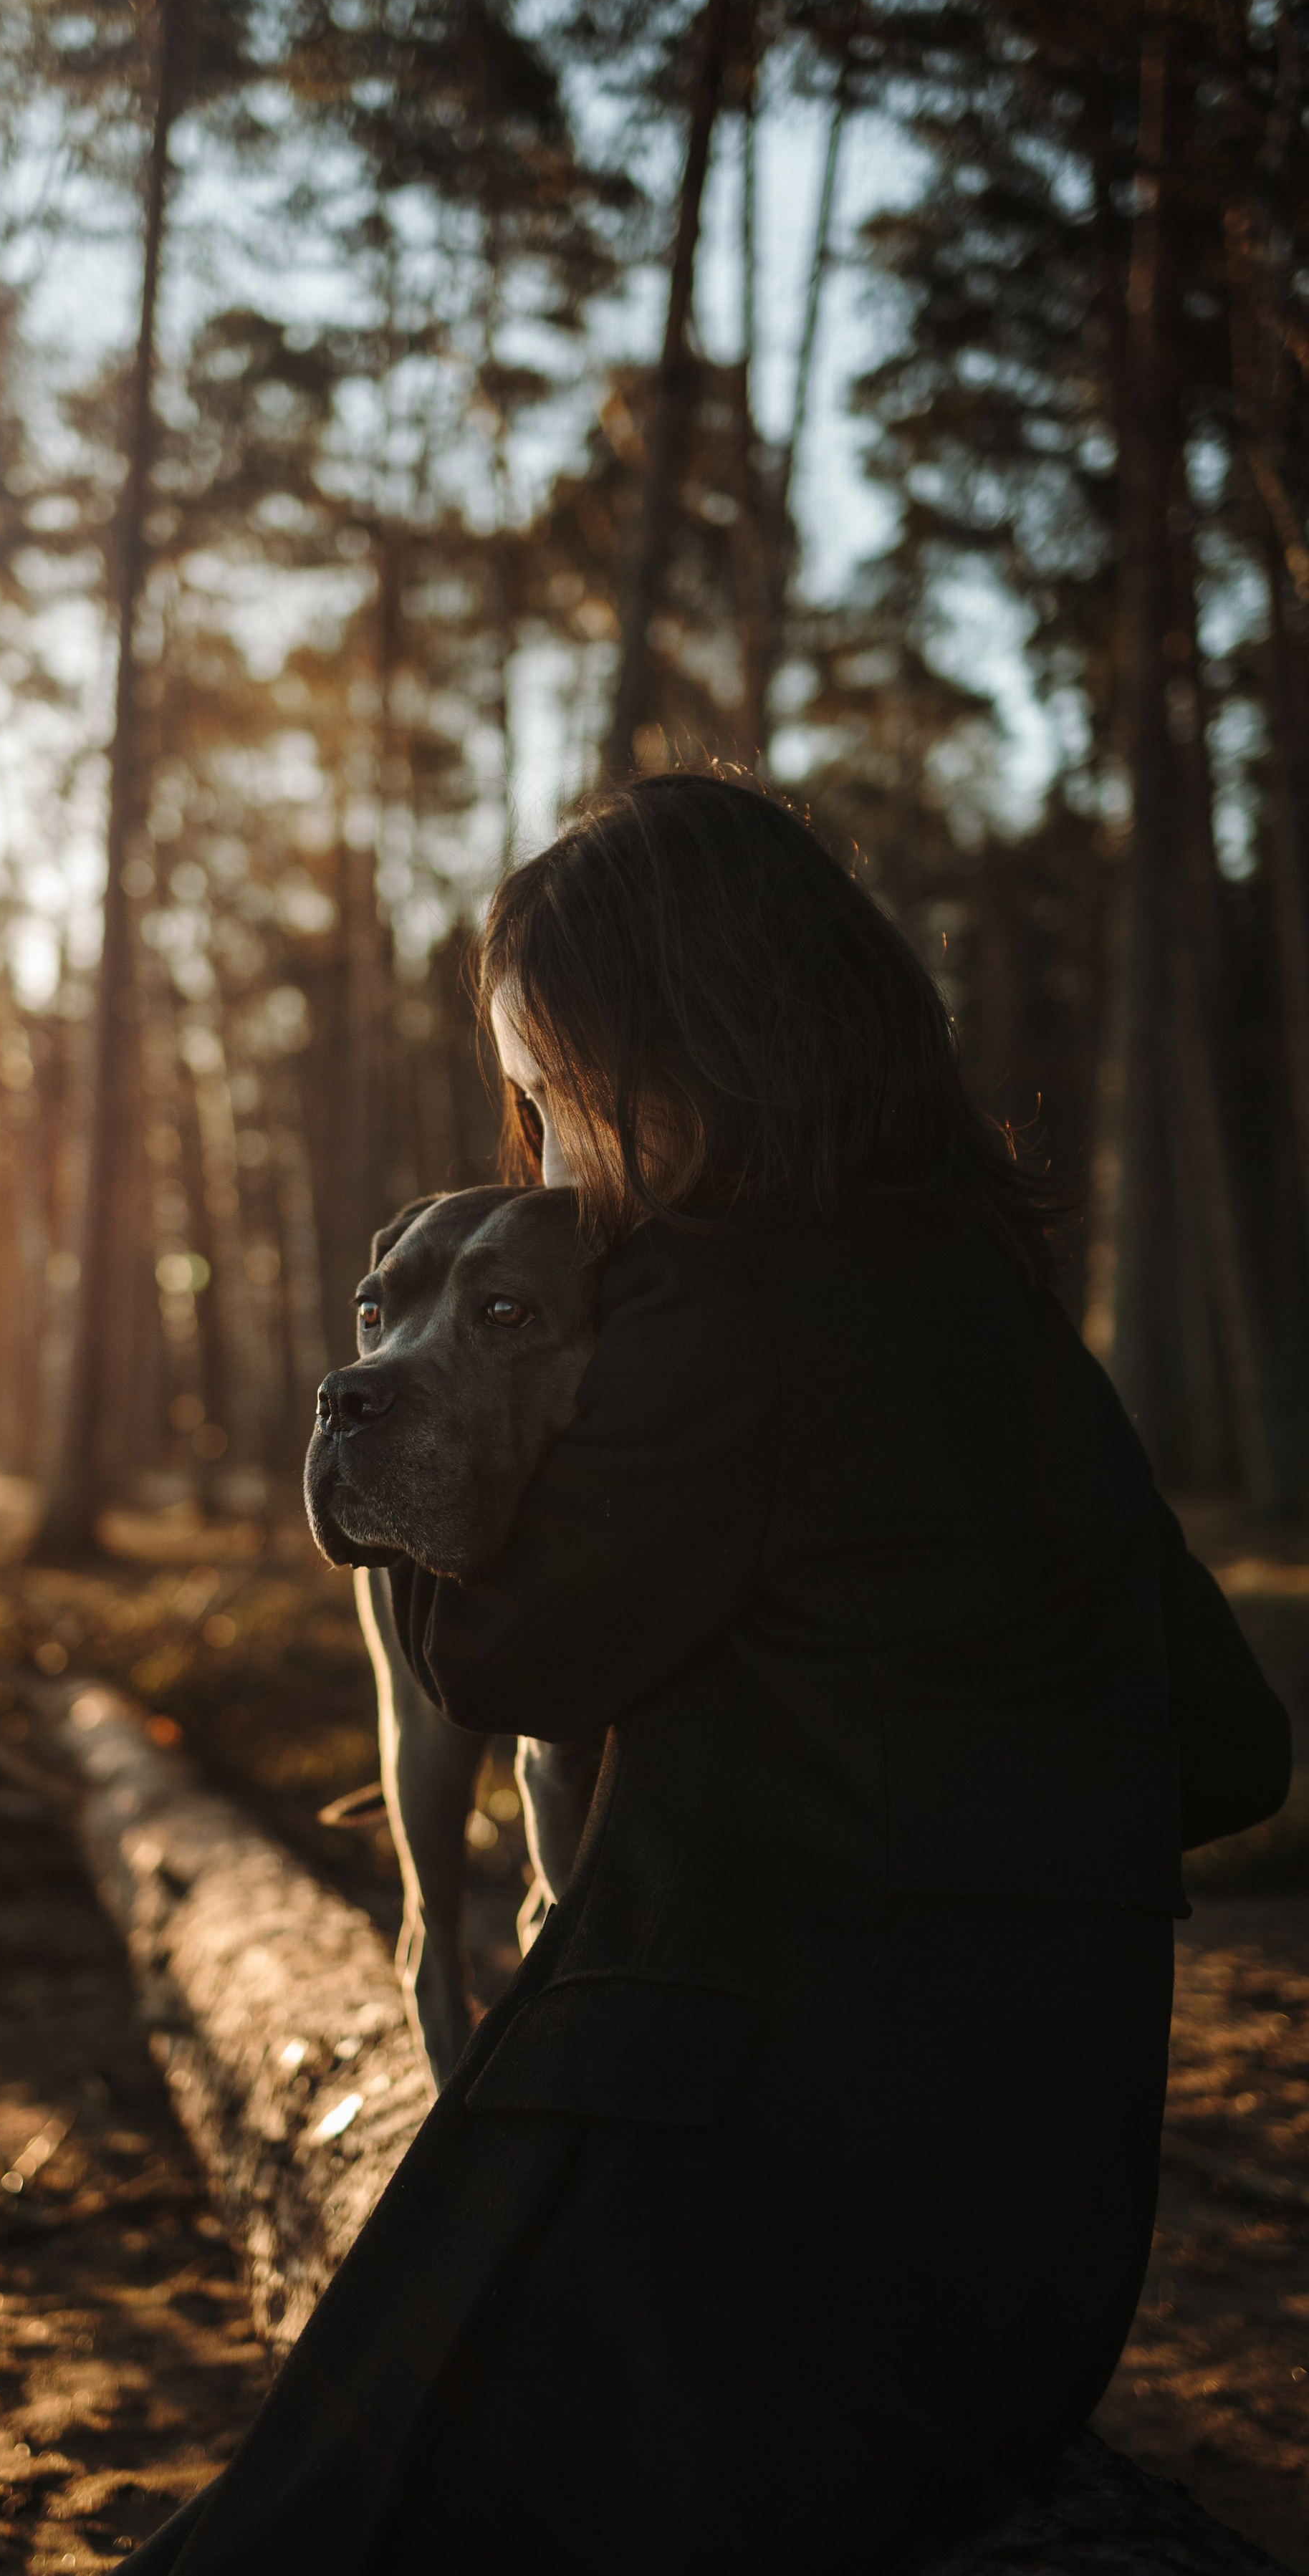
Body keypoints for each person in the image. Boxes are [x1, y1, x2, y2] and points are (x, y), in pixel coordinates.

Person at [130, 772, 1292, 2576]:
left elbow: (516, 1654)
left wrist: (425, 1501)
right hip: (1036, 2243)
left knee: (319, 2525)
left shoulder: (714, 1295)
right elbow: (1224, 1745)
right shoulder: (999, 1312)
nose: (550, 1146)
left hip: (742, 2198)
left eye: (557, 1088)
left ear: (687, 1052)